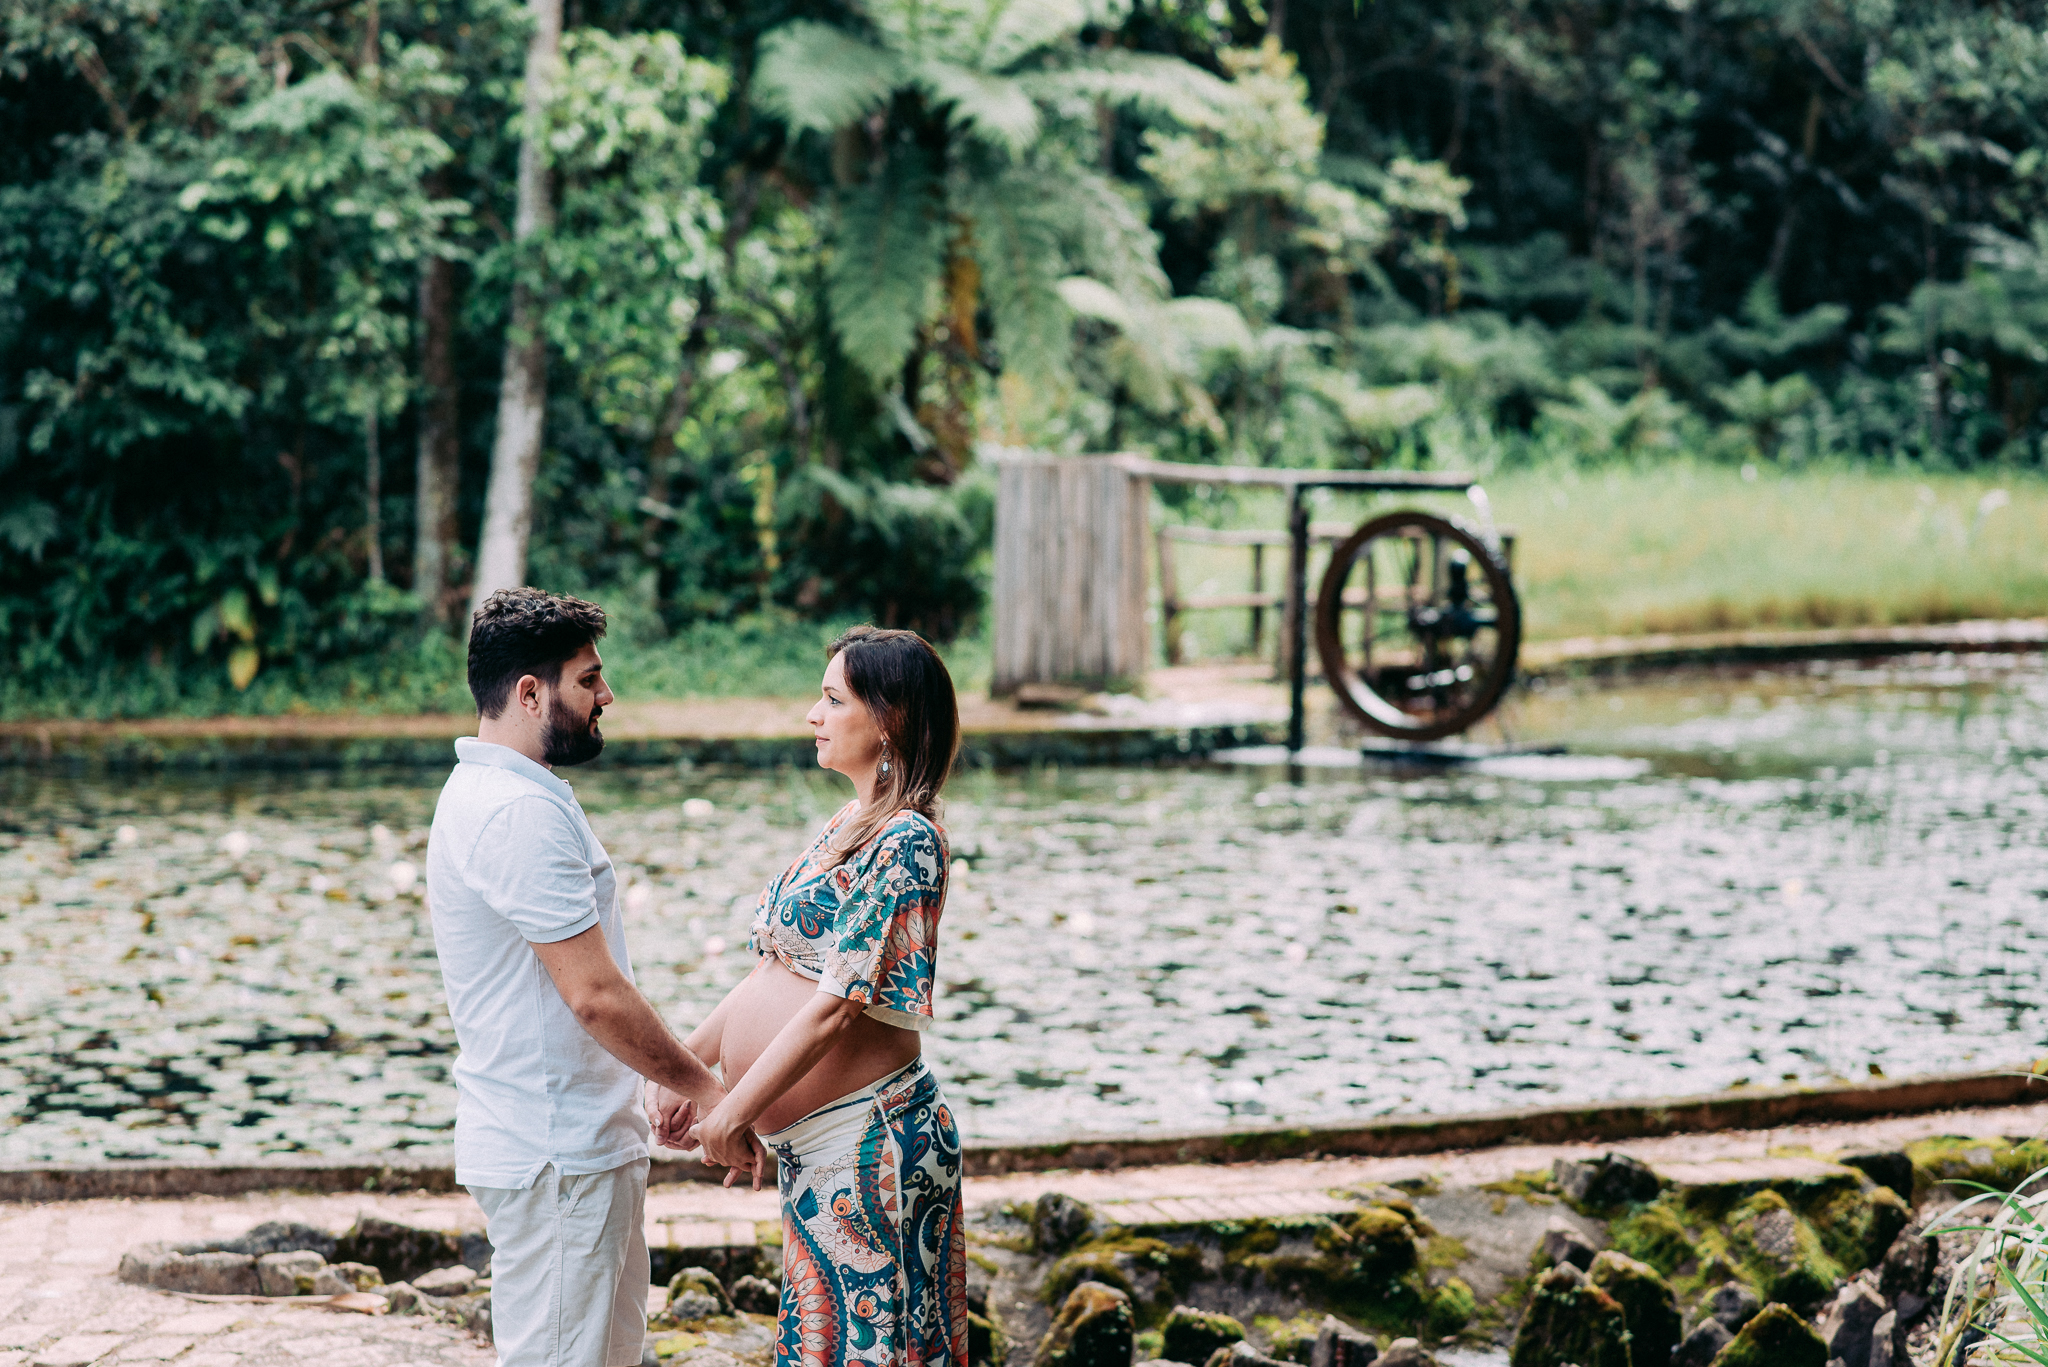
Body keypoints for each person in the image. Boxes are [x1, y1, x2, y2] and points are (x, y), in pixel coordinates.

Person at [426, 587, 747, 1367]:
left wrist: (647, 1088)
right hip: (557, 1155)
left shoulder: (505, 793)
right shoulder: (514, 813)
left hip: (571, 1143)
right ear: (530, 692)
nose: (607, 695)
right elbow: (595, 996)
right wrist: (710, 1092)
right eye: (588, 679)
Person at [650, 625, 968, 1367]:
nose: (812, 714)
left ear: (887, 720)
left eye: (832, 698)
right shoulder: (847, 826)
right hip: (816, 1156)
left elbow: (835, 1003)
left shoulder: (907, 839)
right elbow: (774, 973)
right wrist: (683, 1067)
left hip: (870, 1150)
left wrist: (731, 1109)